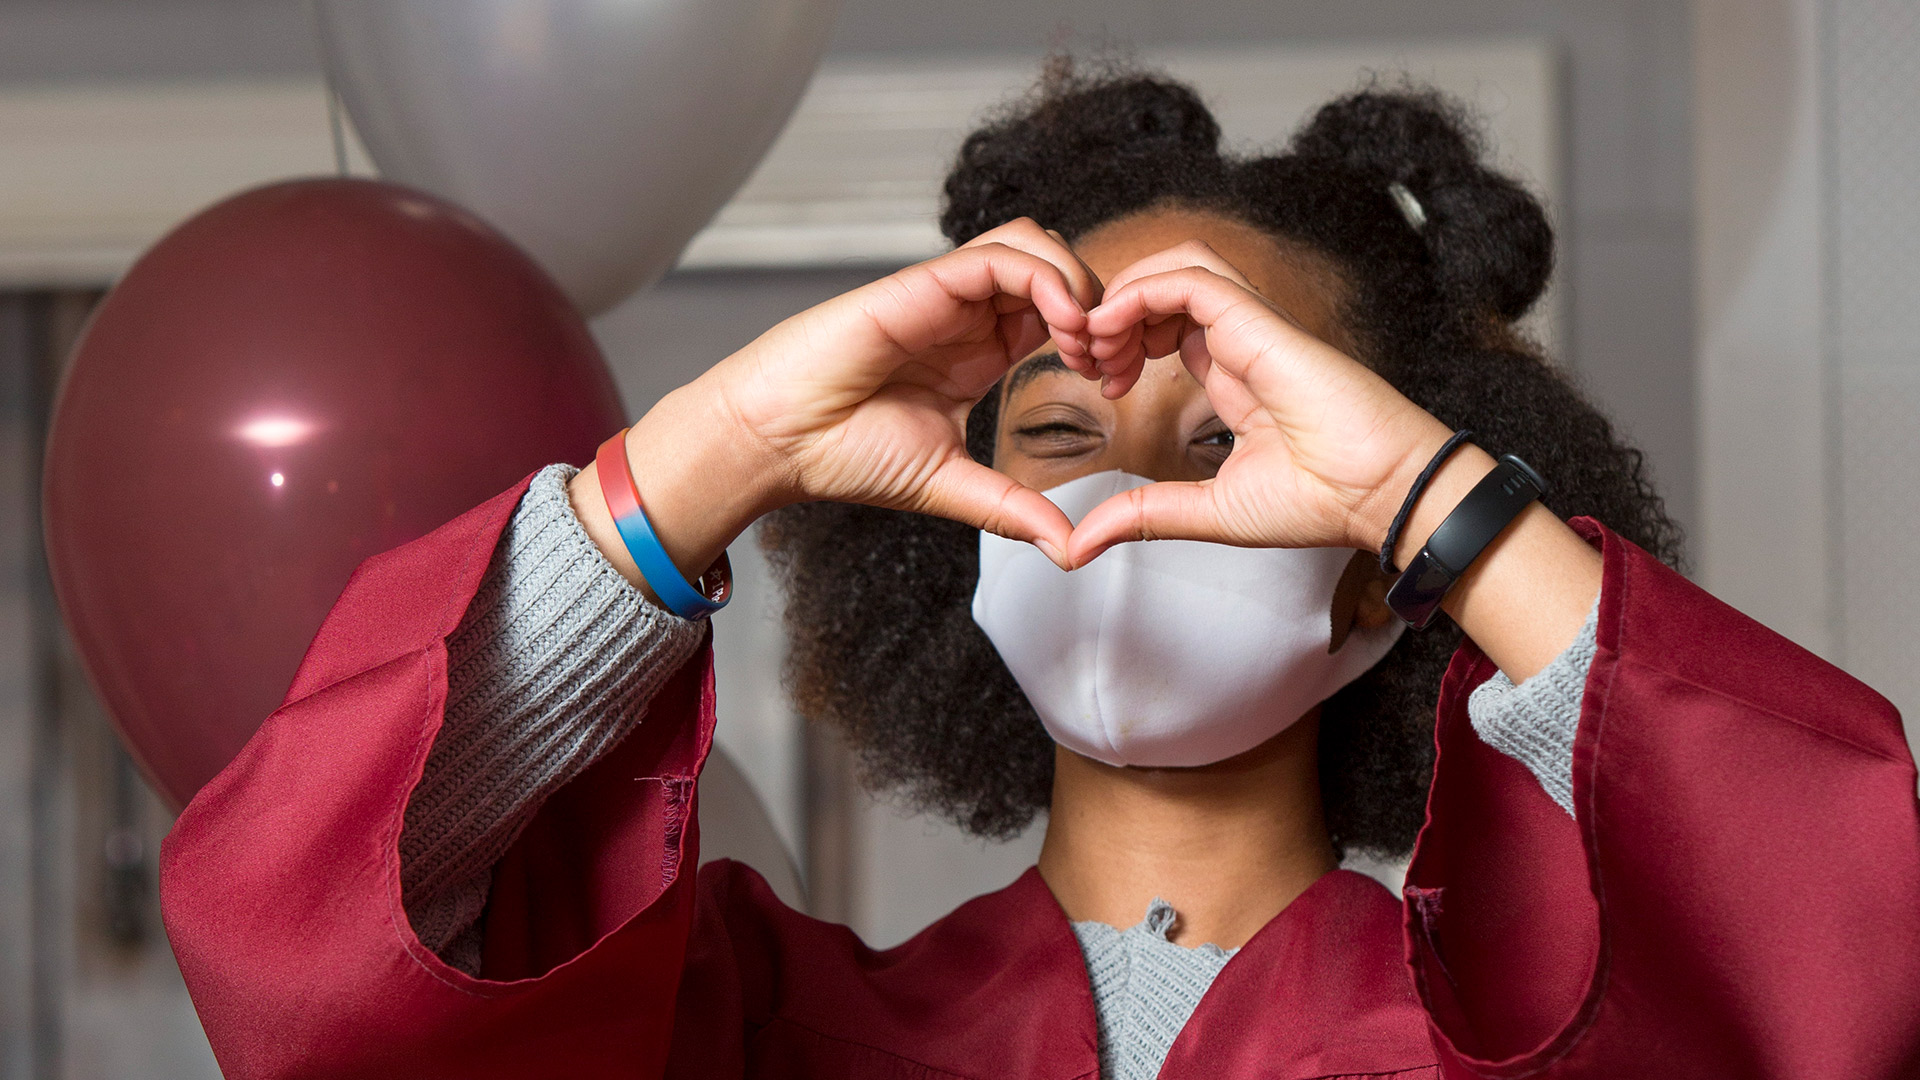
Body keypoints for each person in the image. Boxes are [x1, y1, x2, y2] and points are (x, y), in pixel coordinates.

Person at [160, 67, 1920, 1079]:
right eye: (1062, 437)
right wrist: (729, 447)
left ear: (1382, 573)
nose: (1134, 503)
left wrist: (1441, 502)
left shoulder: (1528, 1043)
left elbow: (1837, 966)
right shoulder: (767, 1035)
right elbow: (326, 974)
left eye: (1227, 447)